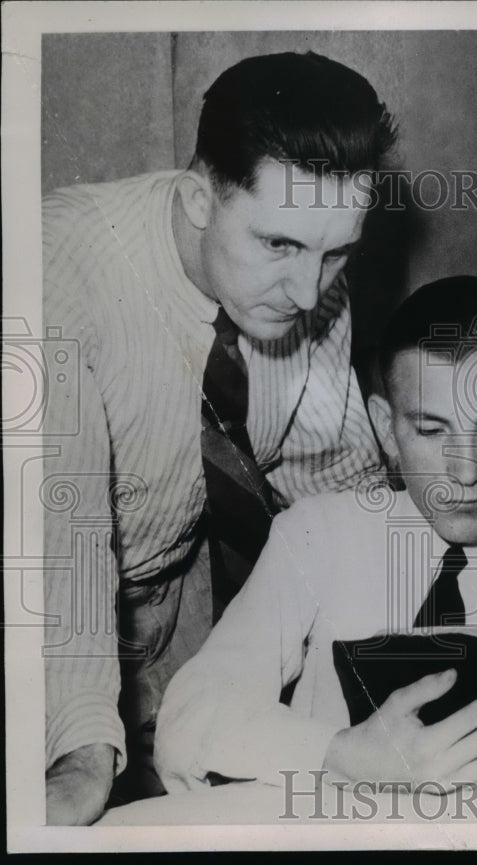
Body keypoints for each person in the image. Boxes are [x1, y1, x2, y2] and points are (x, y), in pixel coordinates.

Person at [43, 52, 396, 823]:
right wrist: (80, 749)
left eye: (337, 253)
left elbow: (338, 488)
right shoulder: (58, 266)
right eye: (279, 246)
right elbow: (59, 536)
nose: (308, 292)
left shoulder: (309, 280)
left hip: (171, 618)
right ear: (199, 199)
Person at [153, 275, 477, 791]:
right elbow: (188, 720)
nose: (465, 470)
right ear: (385, 430)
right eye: (431, 431)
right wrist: (340, 756)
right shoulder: (318, 539)